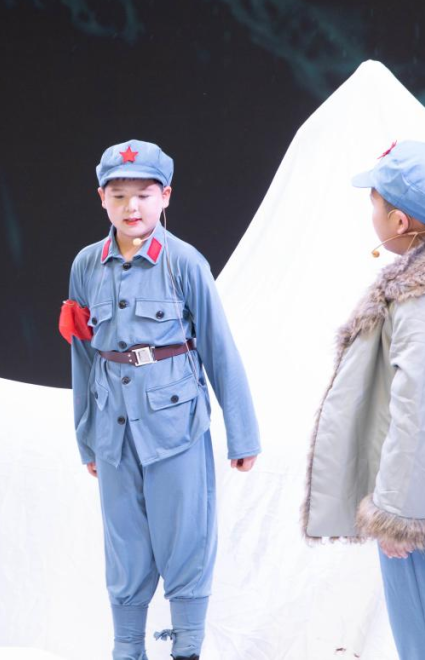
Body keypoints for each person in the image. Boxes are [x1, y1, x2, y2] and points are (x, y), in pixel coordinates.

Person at [302, 140, 425, 658]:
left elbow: (423, 413)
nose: (370, 214)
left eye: (374, 203)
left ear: (398, 221)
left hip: (421, 505)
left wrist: (399, 512)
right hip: (423, 495)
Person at [61, 140, 261, 660]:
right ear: (101, 198)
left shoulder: (184, 262)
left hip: (176, 426)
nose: (131, 207)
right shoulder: (86, 266)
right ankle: (126, 649)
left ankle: (186, 649)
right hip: (113, 428)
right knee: (124, 544)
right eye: (118, 195)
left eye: (144, 194)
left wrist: (242, 434)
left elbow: (218, 346)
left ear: (165, 196)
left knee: (185, 538)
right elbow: (83, 355)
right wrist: (86, 436)